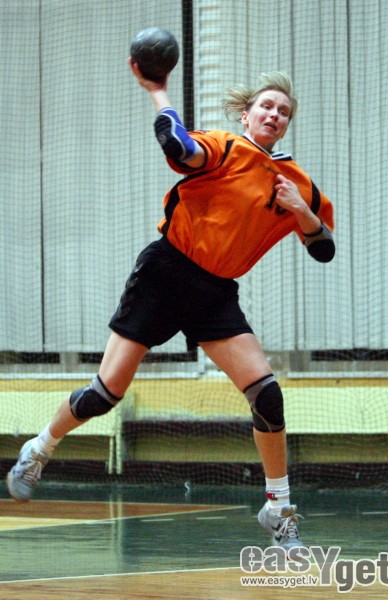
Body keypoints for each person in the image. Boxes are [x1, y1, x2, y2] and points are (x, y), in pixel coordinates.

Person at [7, 59, 335, 552]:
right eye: (266, 106)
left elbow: (323, 248)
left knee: (267, 395)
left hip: (214, 292)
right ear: (245, 115)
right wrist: (157, 90)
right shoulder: (225, 147)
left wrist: (302, 211)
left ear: (288, 123)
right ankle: (40, 447)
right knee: (105, 394)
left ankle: (278, 509)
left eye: (283, 111)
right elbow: (177, 146)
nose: (274, 114)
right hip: (164, 273)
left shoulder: (296, 183)